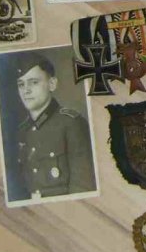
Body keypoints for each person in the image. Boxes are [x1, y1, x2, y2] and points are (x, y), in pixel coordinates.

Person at [11, 52, 94, 200]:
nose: (26, 90)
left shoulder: (72, 124)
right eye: (21, 84)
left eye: (34, 82)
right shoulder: (22, 130)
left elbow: (83, 188)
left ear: (52, 84)